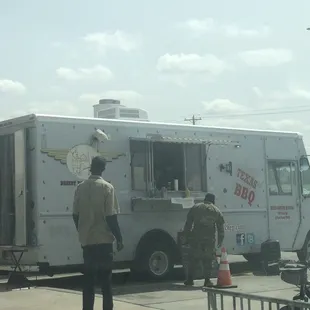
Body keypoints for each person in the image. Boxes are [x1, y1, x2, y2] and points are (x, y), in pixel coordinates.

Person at [72, 156, 124, 310]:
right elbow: (111, 217)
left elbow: (75, 215)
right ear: (103, 169)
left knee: (88, 281)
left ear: (90, 167)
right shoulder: (107, 188)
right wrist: (119, 238)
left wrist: (82, 230)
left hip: (88, 242)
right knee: (106, 283)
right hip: (104, 242)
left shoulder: (80, 187)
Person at [183, 193, 225, 287]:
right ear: (213, 200)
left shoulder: (196, 207)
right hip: (209, 240)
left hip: (196, 238)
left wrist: (187, 237)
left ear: (205, 199)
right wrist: (220, 242)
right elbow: (221, 229)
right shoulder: (216, 210)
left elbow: (188, 224)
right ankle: (207, 281)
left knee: (193, 259)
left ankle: (190, 280)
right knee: (208, 260)